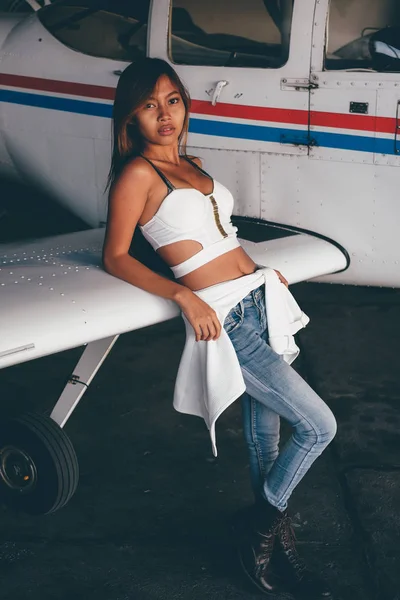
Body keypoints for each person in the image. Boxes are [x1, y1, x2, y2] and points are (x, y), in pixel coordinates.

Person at [102, 57, 337, 600]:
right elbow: (115, 256)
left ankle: (270, 550)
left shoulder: (195, 164)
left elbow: (221, 239)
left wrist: (258, 268)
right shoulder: (139, 175)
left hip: (257, 298)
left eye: (172, 100)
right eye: (148, 105)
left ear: (185, 104)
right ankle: (255, 527)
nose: (164, 114)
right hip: (223, 317)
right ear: (131, 118)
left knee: (266, 441)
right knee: (318, 427)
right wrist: (184, 295)